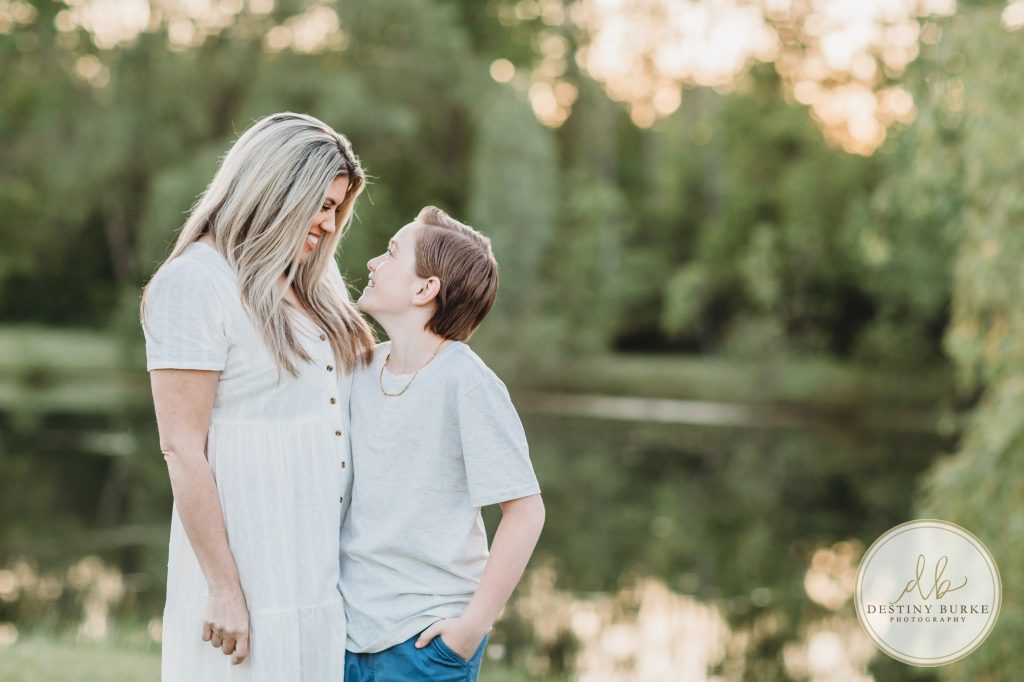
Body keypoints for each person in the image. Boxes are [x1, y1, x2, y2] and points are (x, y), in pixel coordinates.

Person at [141, 112, 374, 681]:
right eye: (322, 204)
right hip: (249, 561)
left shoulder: (315, 284)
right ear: (277, 189)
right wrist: (224, 588)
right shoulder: (195, 282)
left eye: (337, 208)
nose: (329, 224)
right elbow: (181, 448)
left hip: (319, 566)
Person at [341, 206, 546, 681]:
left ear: (424, 289)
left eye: (391, 253)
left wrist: (471, 628)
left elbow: (526, 511)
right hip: (347, 634)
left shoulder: (466, 381)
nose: (373, 262)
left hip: (423, 642)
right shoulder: (359, 369)